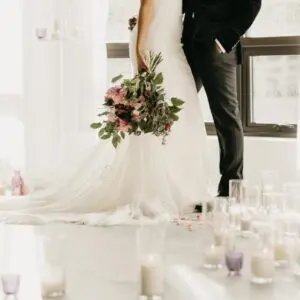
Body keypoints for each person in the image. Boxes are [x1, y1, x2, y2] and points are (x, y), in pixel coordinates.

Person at [0, 0, 211, 225]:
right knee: (158, 110)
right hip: (155, 42)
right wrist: (140, 46)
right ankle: (158, 188)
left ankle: (178, 187)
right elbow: (147, 4)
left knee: (173, 109)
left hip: (169, 41)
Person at [182, 0, 261, 205]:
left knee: (226, 115)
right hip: (186, 44)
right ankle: (181, 185)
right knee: (176, 112)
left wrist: (226, 39)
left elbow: (252, 3)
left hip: (217, 47)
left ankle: (231, 190)